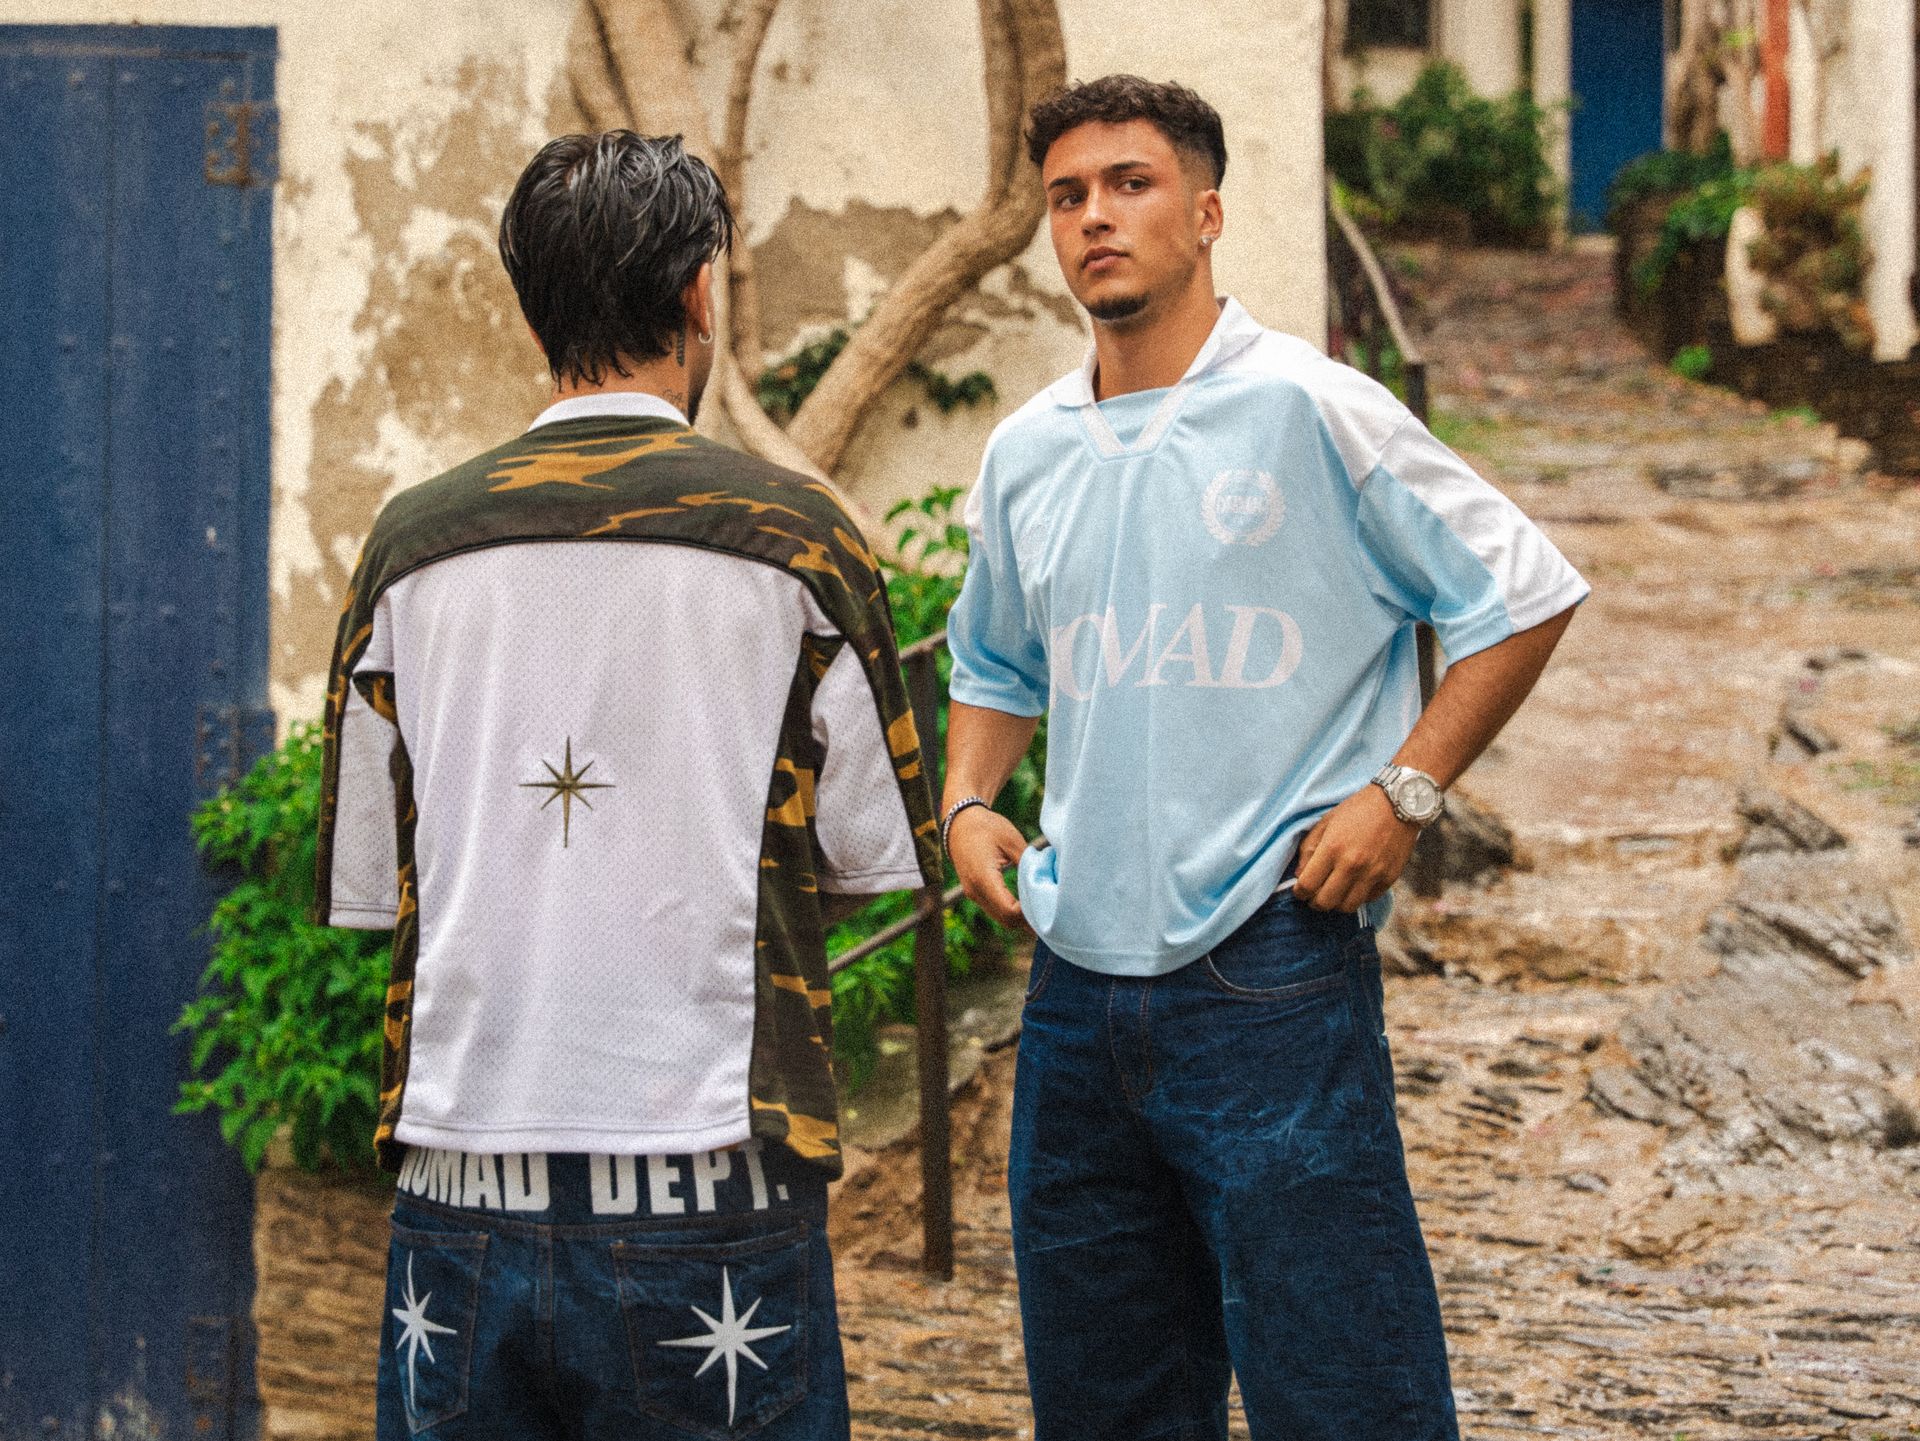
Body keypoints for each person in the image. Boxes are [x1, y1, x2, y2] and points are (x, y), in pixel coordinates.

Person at [940, 76, 1588, 1441]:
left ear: (1209, 211)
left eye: (1132, 183)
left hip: (1270, 970)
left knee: (1343, 1392)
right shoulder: (1027, 454)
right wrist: (964, 802)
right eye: (1068, 195)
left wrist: (1403, 792)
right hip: (1073, 991)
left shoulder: (1312, 407)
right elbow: (996, 659)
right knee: (1106, 1400)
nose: (1095, 217)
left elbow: (1520, 592)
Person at [314, 131, 939, 1441]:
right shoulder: (802, 539)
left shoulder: (406, 549)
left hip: (458, 1177)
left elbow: (368, 877)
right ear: (701, 292)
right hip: (711, 1180)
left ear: (533, 300)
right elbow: (879, 848)